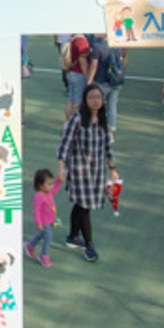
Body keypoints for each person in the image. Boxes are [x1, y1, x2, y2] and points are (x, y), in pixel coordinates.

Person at [55, 85, 117, 263]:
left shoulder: (103, 121)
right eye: (91, 97)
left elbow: (107, 147)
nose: (95, 101)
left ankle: (73, 236)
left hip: (97, 171)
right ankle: (89, 245)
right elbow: (64, 145)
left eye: (98, 97)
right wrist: (61, 167)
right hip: (79, 170)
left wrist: (112, 168)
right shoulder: (77, 119)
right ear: (85, 100)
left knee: (82, 205)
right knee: (84, 206)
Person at [26, 168, 59, 267]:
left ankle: (30, 245)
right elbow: (36, 211)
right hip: (44, 222)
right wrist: (38, 223)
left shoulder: (48, 192)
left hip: (50, 220)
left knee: (41, 234)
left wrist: (59, 182)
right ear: (40, 185)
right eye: (49, 184)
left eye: (52, 184)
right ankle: (43, 255)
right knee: (48, 237)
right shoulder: (39, 196)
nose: (51, 186)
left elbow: (55, 190)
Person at [64, 33, 95, 119]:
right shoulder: (81, 41)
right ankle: (75, 123)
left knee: (71, 99)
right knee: (78, 102)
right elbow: (82, 61)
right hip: (79, 74)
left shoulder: (72, 38)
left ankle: (68, 121)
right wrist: (88, 77)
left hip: (71, 72)